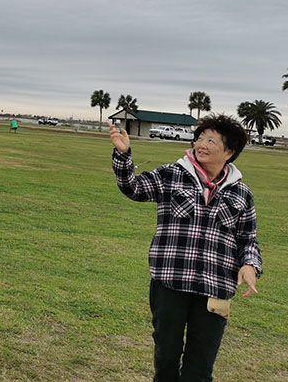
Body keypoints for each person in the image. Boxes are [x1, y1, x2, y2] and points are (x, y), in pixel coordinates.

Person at [110, 114, 262, 382]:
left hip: (215, 288)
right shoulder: (172, 174)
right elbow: (134, 188)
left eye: (211, 140)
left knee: (200, 367)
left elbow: (248, 238)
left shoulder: (241, 193)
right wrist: (123, 155)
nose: (201, 144)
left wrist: (250, 265)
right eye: (200, 138)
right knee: (166, 358)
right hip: (170, 283)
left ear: (229, 151)